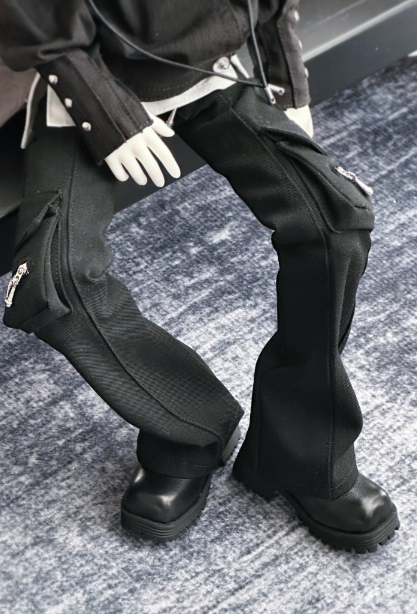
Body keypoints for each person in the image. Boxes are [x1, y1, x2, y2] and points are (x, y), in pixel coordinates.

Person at [0, 0, 399, 552]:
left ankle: (301, 450)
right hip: (84, 73)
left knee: (335, 219)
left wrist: (286, 82)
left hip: (208, 69)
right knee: (55, 282)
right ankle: (188, 429)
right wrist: (102, 109)